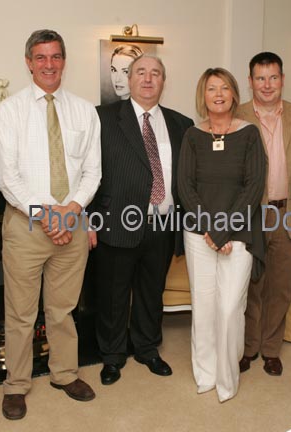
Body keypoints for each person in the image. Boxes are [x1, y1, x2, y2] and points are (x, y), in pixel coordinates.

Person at [0, 29, 101, 420]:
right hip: (26, 226)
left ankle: (64, 373)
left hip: (72, 224)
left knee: (62, 309)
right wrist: (47, 214)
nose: (49, 64)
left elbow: (92, 172)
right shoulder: (11, 110)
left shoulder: (84, 110)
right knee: (20, 313)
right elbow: (5, 176)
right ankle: (16, 385)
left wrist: (70, 210)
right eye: (41, 57)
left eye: (55, 56)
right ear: (28, 62)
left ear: (64, 61)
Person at [89, 54, 193, 386]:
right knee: (113, 295)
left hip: (163, 224)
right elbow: (88, 171)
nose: (148, 79)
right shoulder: (102, 118)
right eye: (141, 73)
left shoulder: (181, 124)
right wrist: (90, 219)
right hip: (117, 222)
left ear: (164, 81)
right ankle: (113, 356)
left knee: (152, 292)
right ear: (130, 80)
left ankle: (148, 349)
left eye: (156, 74)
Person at [178, 68, 266, 402]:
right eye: (211, 88)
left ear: (233, 94)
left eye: (224, 88)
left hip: (239, 231)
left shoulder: (249, 134)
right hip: (199, 233)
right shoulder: (192, 135)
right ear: (203, 95)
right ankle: (206, 373)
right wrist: (210, 229)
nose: (218, 94)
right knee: (203, 306)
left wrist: (224, 229)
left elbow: (254, 185)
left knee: (230, 307)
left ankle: (227, 379)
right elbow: (184, 185)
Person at [236, 52, 291, 376]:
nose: (267, 85)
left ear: (282, 79)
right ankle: (248, 347)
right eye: (260, 78)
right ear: (250, 81)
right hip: (251, 215)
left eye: (273, 77)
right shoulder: (236, 115)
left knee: (280, 287)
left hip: (287, 214)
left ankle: (270, 349)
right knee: (249, 284)